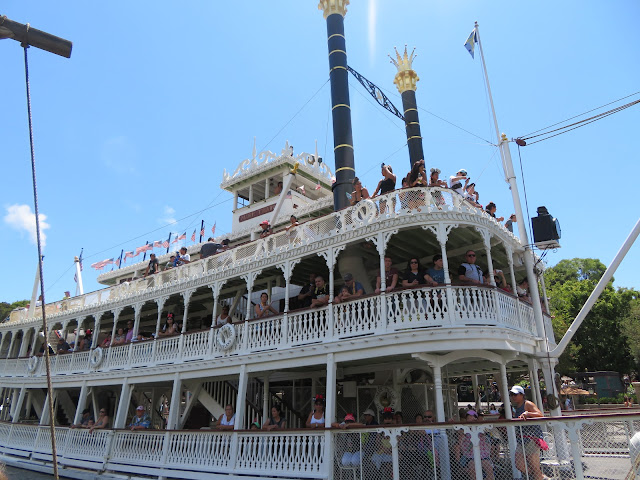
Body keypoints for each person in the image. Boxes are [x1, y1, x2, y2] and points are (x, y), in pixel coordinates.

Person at [509, 385, 544, 480]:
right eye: (512, 394)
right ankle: (540, 476)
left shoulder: (527, 404)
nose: (513, 396)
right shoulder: (516, 407)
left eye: (515, 394)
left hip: (532, 438)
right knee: (519, 464)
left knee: (534, 465)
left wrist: (528, 413)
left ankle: (539, 476)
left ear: (522, 395)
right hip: (522, 439)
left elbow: (540, 415)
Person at [456, 410, 494, 480]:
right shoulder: (465, 430)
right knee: (472, 470)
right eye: (468, 417)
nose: (470, 419)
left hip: (483, 456)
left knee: (489, 469)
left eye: (472, 417)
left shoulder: (480, 428)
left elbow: (484, 433)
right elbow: (459, 439)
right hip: (470, 456)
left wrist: (478, 423)